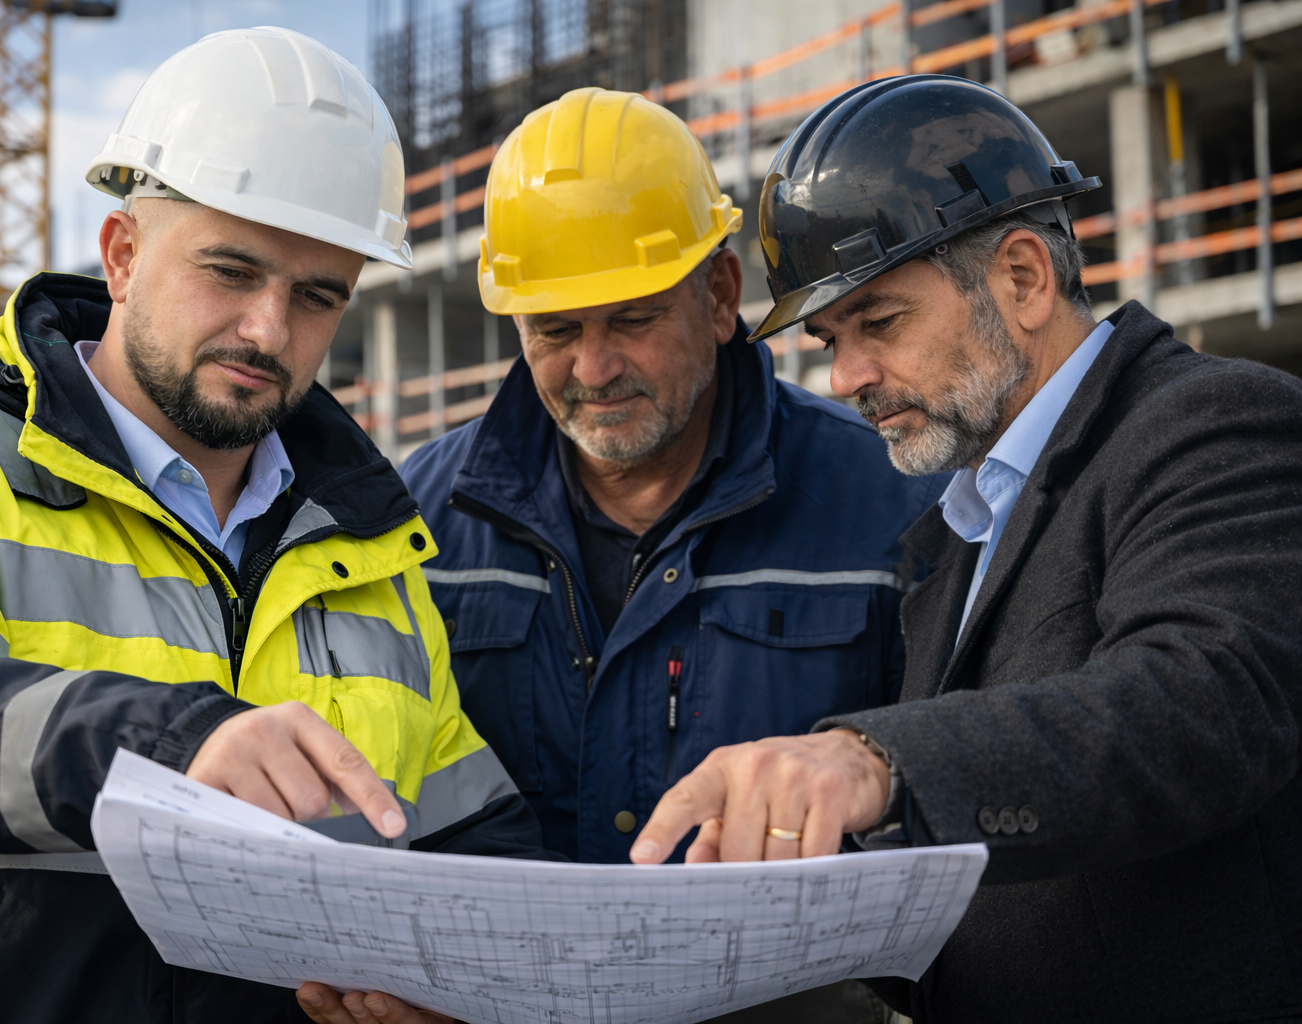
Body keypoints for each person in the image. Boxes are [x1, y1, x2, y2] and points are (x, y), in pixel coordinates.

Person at [0, 29, 545, 1024]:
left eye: (317, 296)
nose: (270, 330)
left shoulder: (371, 552)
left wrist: (473, 986)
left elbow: (473, 841)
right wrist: (175, 747)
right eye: (231, 270)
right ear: (123, 254)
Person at [632, 74, 1302, 1021]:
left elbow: (1202, 703)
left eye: (880, 321)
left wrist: (878, 761)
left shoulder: (1214, 425)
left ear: (1022, 277)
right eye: (829, 337)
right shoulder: (958, 531)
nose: (848, 376)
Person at [305, 87, 942, 1024]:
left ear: (721, 295)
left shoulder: (891, 505)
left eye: (632, 319)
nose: (593, 369)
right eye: (554, 331)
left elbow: (943, 817)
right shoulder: (417, 524)